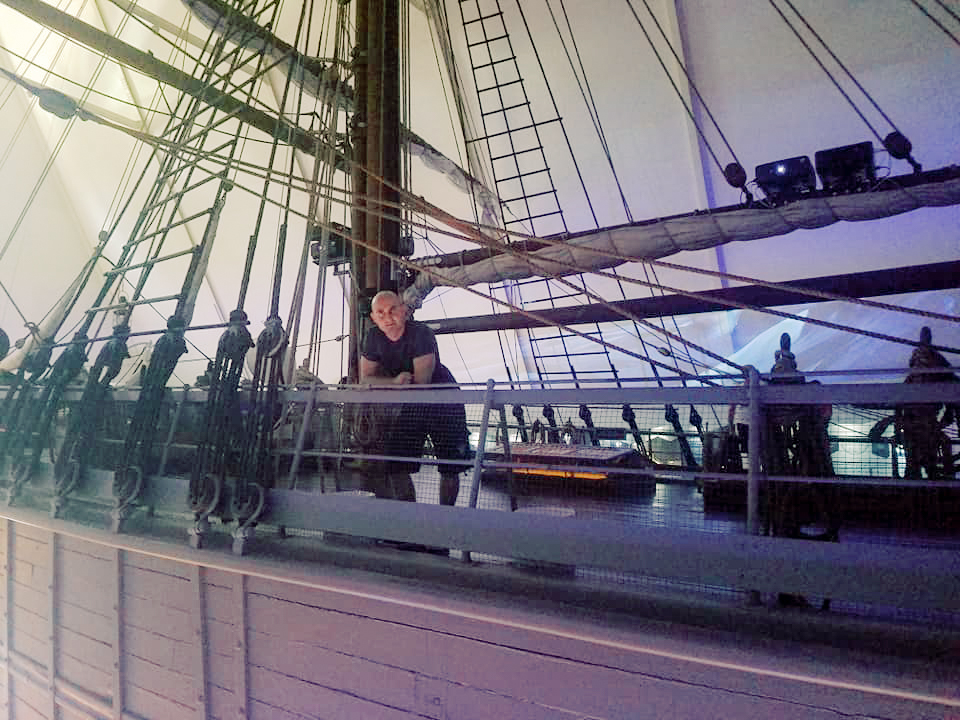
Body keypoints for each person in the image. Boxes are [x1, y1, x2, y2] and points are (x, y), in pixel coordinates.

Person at [359, 290, 470, 505]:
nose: (387, 317)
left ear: (404, 311)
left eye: (393, 310)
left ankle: (444, 518)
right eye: (380, 313)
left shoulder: (421, 334)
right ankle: (409, 518)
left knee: (451, 466)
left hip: (444, 402)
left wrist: (389, 385)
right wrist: (393, 383)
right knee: (396, 464)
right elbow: (365, 380)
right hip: (412, 402)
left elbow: (421, 383)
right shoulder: (373, 337)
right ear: (373, 317)